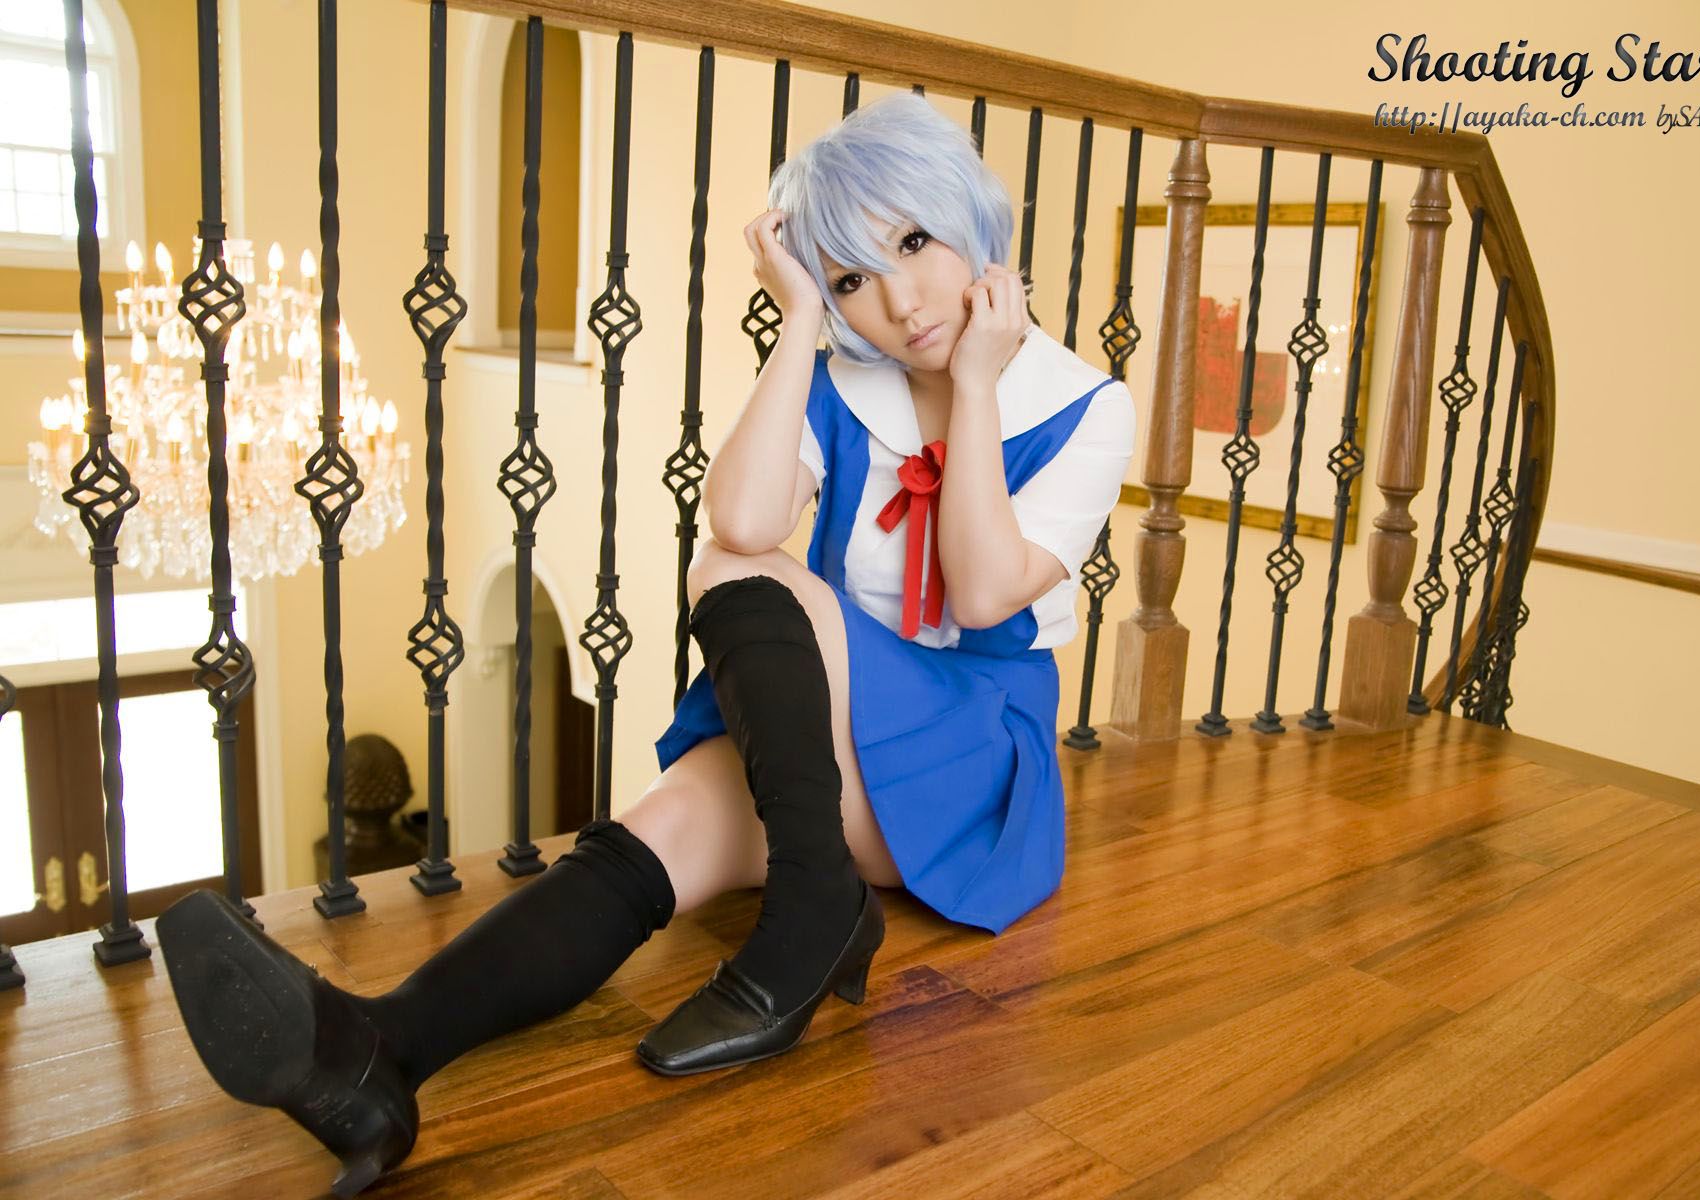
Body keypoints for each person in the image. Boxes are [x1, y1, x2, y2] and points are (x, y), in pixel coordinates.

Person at [155, 91, 1135, 1198]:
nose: (899, 302)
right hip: (843, 765)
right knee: (658, 821)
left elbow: (987, 589)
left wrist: (976, 385)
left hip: (972, 769)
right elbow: (747, 517)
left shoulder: (1089, 407)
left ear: (971, 219)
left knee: (735, 576)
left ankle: (813, 913)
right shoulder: (843, 377)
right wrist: (800, 327)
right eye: (852, 279)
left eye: (914, 243)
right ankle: (379, 1057)